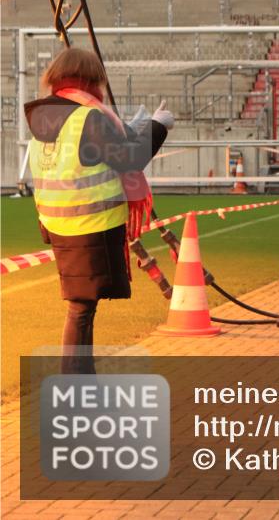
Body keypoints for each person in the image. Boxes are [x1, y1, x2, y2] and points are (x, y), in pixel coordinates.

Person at [24, 47, 173, 374]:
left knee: (82, 307)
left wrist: (128, 129)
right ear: (90, 78)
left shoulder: (46, 117)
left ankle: (81, 377)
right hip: (92, 224)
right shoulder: (88, 117)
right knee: (81, 309)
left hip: (58, 223)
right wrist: (157, 127)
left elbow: (91, 155)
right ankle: (74, 382)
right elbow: (130, 159)